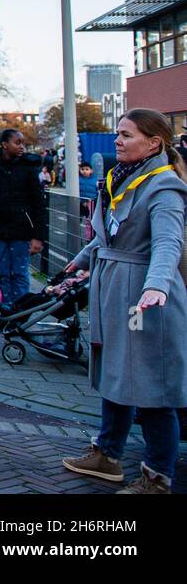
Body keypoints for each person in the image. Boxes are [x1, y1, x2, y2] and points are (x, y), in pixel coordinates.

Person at [59, 109, 187, 494]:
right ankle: (107, 454)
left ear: (154, 143)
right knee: (116, 371)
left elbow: (168, 242)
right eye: (118, 133)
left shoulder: (163, 187)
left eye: (127, 135)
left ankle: (157, 477)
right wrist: (82, 261)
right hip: (114, 287)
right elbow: (109, 234)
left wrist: (157, 285)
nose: (117, 140)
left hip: (144, 294)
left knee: (152, 384)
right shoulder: (121, 178)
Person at [0, 129, 46, 313]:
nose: (22, 146)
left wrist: (38, 236)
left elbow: (38, 203)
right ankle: (6, 312)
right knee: (3, 273)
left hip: (21, 229)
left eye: (23, 143)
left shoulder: (29, 167)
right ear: (4, 144)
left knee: (19, 273)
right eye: (17, 142)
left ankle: (20, 315)